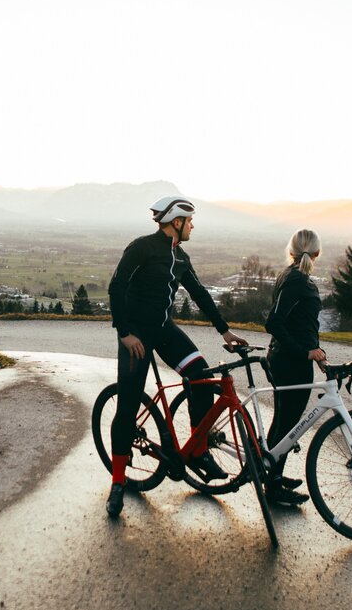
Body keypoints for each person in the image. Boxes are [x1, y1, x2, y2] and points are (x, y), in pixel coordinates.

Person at [106, 196, 247, 517]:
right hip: (135, 335)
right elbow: (116, 287)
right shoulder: (141, 248)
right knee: (127, 405)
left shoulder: (180, 256)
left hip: (165, 330)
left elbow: (199, 294)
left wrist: (224, 331)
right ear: (176, 222)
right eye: (190, 221)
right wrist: (124, 332)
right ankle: (117, 481)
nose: (193, 226)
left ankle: (197, 450)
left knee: (200, 376)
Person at [265, 229, 326, 506]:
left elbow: (303, 323)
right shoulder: (296, 281)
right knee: (287, 423)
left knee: (284, 421)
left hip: (290, 360)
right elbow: (274, 323)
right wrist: (305, 352)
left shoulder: (296, 277)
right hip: (290, 362)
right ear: (316, 252)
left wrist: (316, 352)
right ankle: (273, 484)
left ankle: (273, 475)